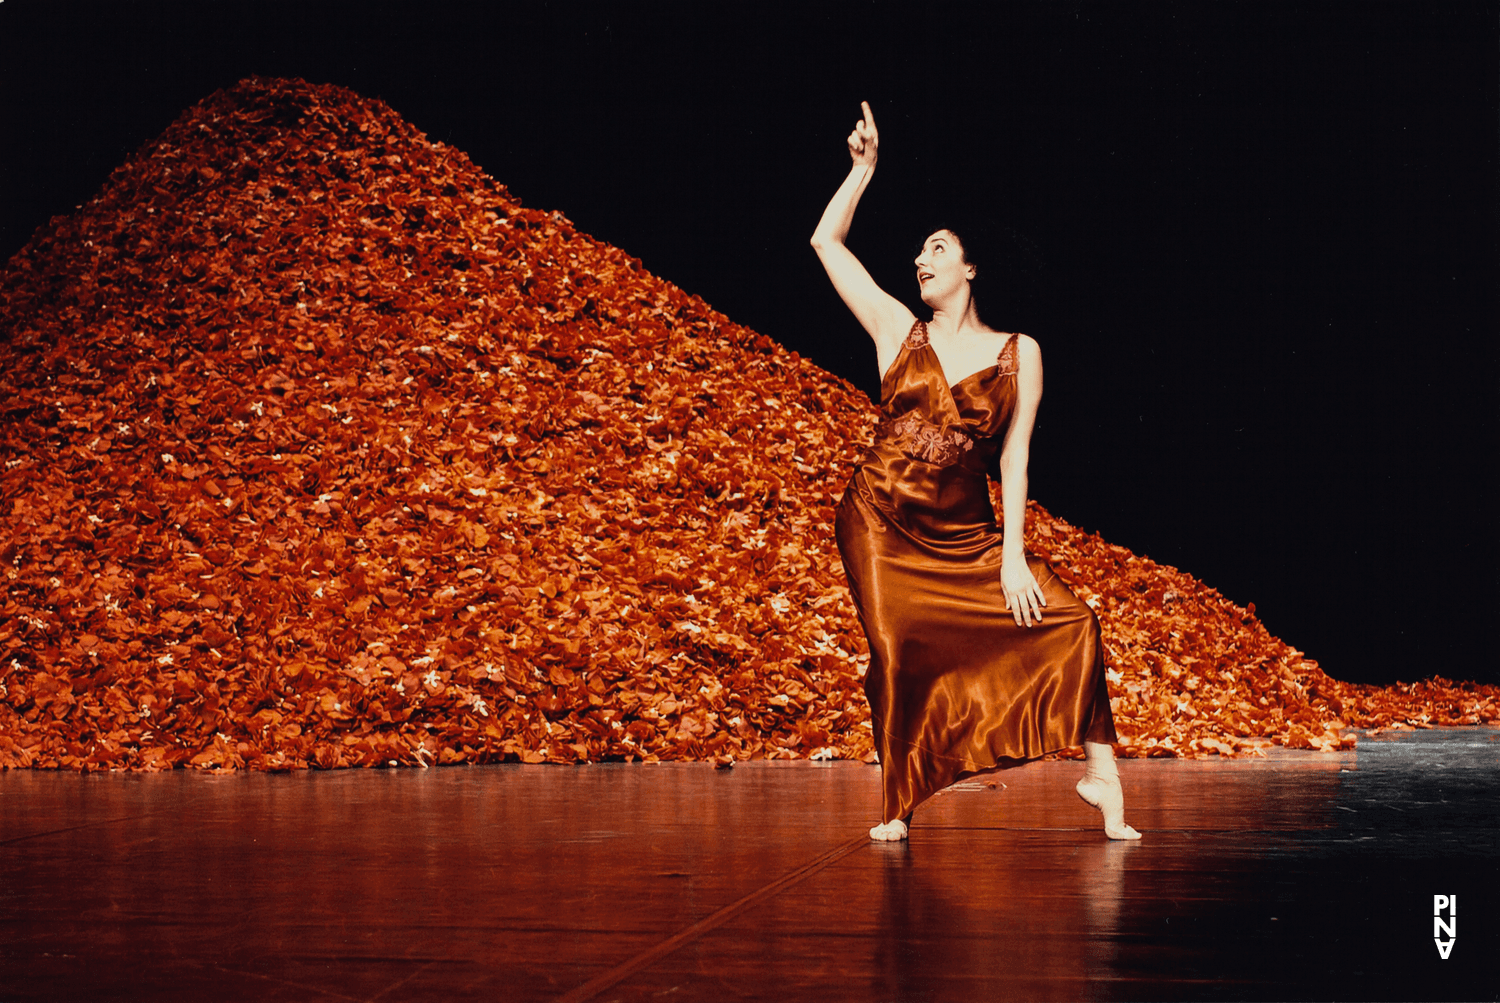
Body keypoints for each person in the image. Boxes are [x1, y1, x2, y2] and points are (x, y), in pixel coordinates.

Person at [810, 102, 1140, 842]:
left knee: (1071, 618)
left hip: (964, 534)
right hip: (879, 517)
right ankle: (896, 803)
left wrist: (1014, 557)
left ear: (971, 265)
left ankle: (1104, 781)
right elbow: (826, 241)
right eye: (918, 254)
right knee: (898, 651)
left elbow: (1016, 457)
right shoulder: (899, 329)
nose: (920, 261)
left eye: (935, 248)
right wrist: (861, 171)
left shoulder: (1021, 352)